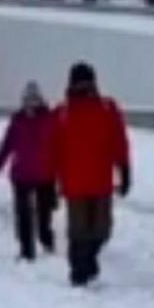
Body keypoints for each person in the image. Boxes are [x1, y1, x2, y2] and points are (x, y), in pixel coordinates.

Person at [52, 62, 132, 287]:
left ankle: (88, 261)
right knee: (79, 232)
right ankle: (79, 271)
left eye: (87, 81)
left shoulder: (107, 108)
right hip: (74, 183)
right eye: (80, 82)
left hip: (100, 181)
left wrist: (124, 169)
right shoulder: (62, 113)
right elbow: (52, 149)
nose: (84, 86)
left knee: (101, 231)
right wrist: (50, 180)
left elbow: (119, 141)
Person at [0, 81, 58, 261]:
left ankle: (46, 240)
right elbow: (7, 145)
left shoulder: (49, 119)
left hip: (45, 175)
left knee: (45, 214)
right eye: (28, 100)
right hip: (22, 176)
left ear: (40, 100)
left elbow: (59, 146)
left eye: (34, 100)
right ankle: (26, 251)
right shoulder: (17, 121)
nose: (31, 104)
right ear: (23, 101)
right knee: (23, 215)